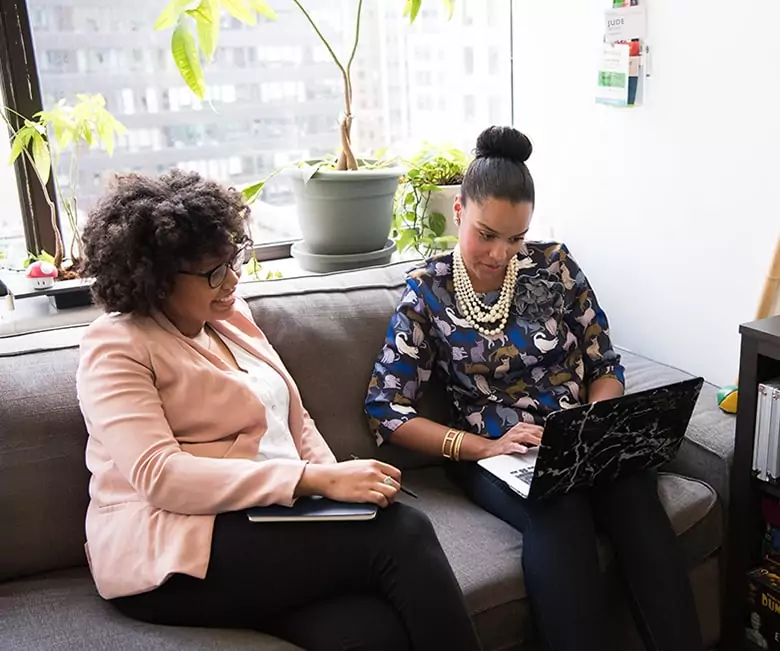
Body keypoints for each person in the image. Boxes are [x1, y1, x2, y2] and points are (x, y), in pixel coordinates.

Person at [76, 169, 482, 651]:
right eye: (213, 271)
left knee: (372, 631)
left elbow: (295, 418)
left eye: (233, 259)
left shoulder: (230, 318)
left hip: (266, 525)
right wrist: (314, 483)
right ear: (157, 279)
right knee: (403, 532)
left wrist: (339, 492)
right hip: (176, 550)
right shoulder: (116, 346)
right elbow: (160, 475)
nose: (231, 279)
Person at [365, 126, 703, 651]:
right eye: (487, 234)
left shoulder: (556, 266)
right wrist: (486, 446)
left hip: (578, 437)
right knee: (559, 508)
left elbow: (604, 363)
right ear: (458, 211)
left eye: (516, 237)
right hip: (494, 453)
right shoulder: (425, 292)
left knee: (633, 491)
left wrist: (595, 424)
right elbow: (386, 410)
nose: (501, 254)